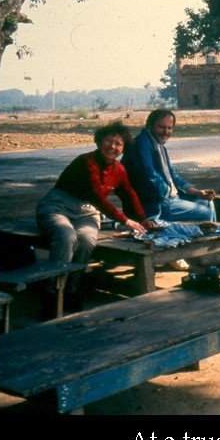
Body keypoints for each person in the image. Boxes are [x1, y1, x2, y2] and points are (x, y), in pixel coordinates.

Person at [36, 122, 154, 318]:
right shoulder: (86, 161)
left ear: (123, 148)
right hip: (57, 206)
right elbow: (96, 196)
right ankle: (53, 293)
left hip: (87, 212)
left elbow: (129, 194)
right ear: (100, 141)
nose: (112, 147)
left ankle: (72, 290)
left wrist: (142, 219)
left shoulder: (119, 169)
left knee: (86, 239)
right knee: (66, 236)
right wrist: (126, 221)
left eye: (118, 144)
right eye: (109, 140)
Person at [122, 109, 219, 270]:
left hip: (168, 197)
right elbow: (149, 175)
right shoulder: (142, 144)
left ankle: (206, 253)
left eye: (169, 128)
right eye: (162, 127)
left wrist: (195, 192)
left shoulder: (158, 145)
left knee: (208, 202)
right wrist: (170, 194)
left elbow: (172, 175)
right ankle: (199, 254)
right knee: (206, 213)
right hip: (155, 203)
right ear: (150, 125)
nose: (166, 132)